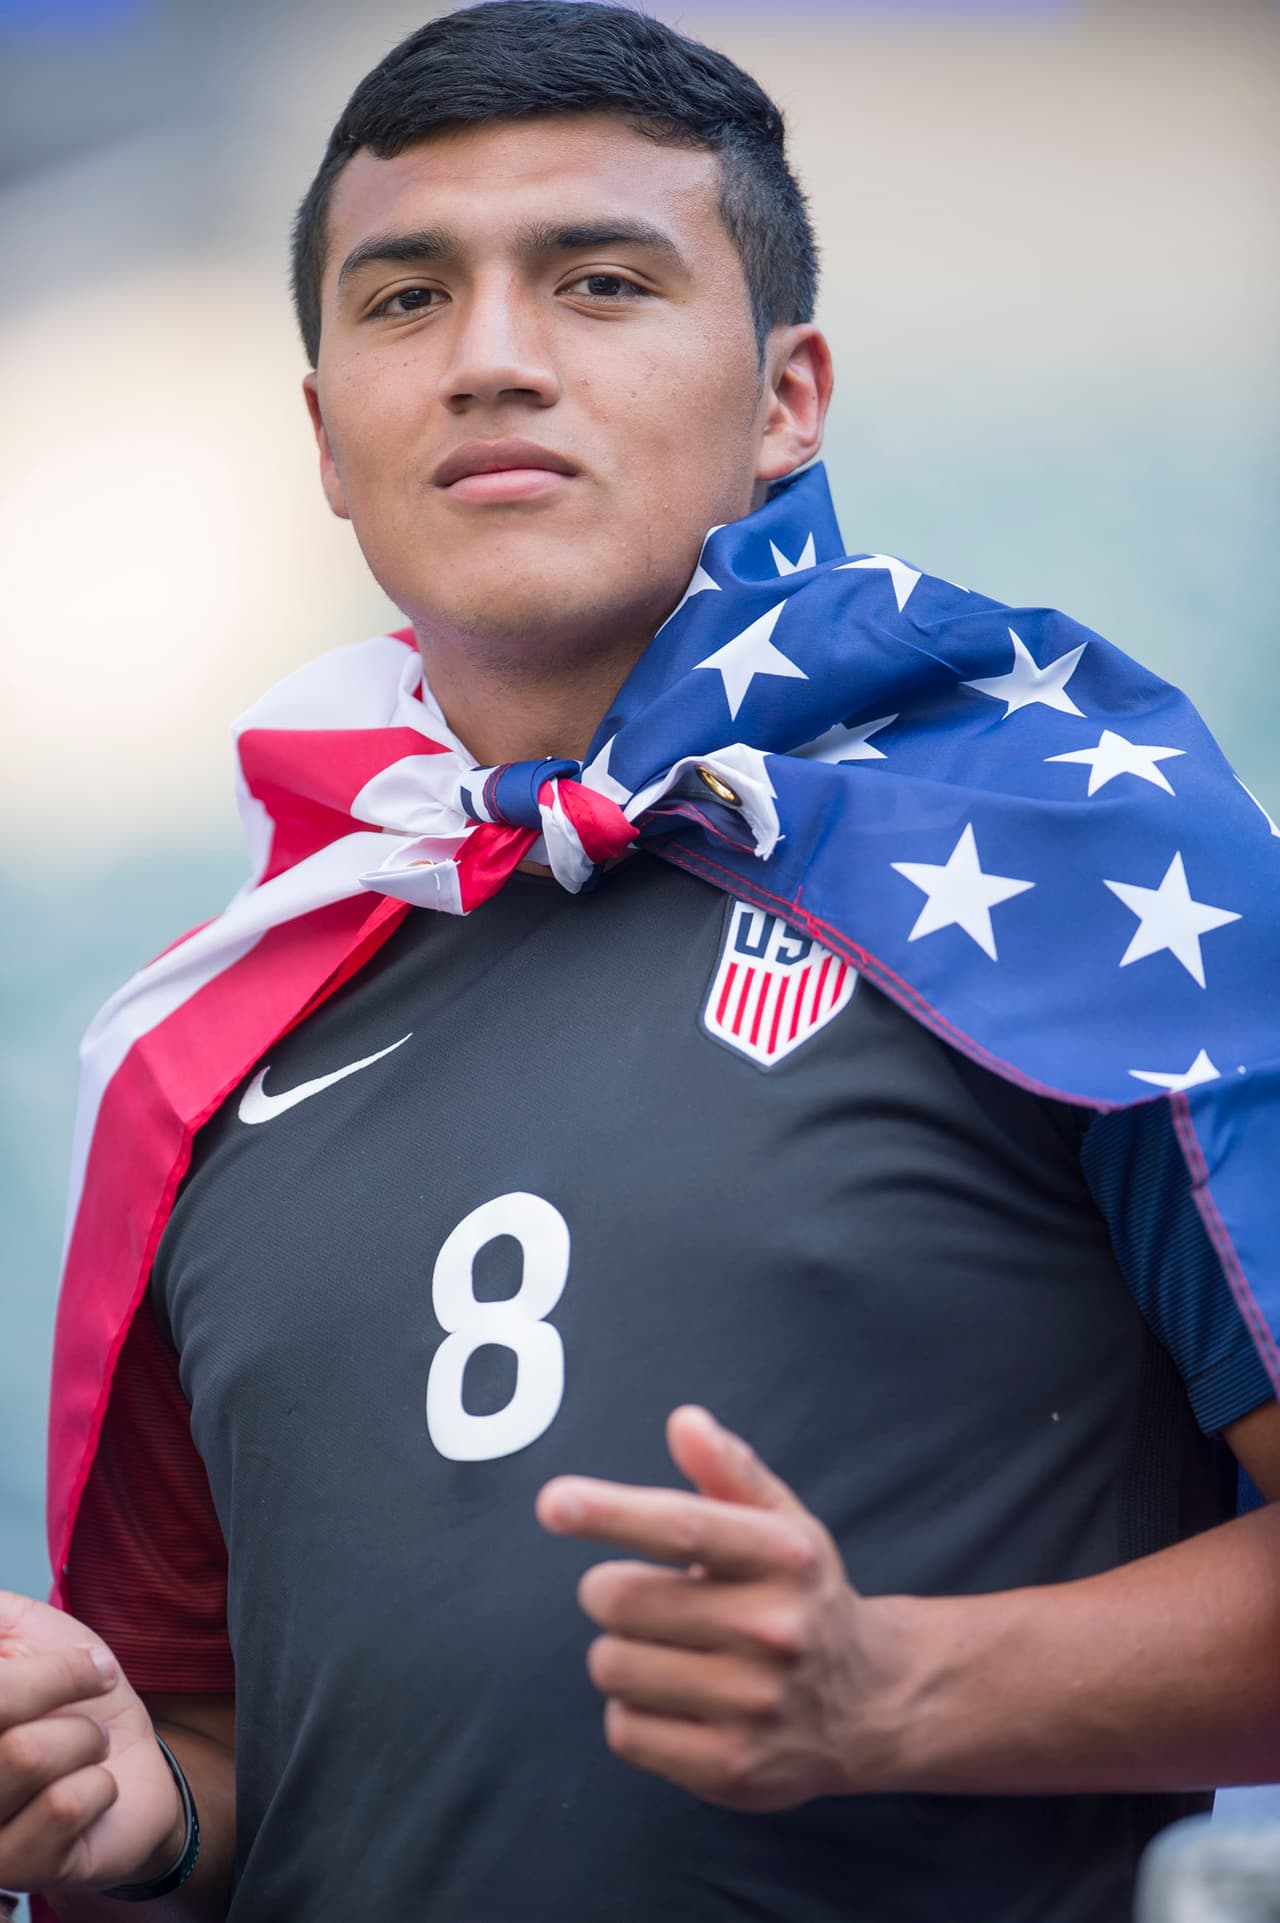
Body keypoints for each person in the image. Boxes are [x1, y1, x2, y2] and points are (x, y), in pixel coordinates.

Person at [3, 5, 1279, 1919]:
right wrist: (131, 1804)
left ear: (789, 397)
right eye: (406, 299)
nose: (493, 360)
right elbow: (226, 1743)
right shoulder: (215, 1027)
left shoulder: (1069, 846)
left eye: (600, 282)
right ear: (327, 438)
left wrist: (896, 1696)